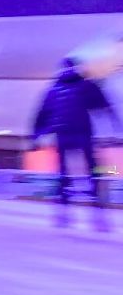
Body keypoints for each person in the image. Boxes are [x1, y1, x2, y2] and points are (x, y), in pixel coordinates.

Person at [33, 58, 120, 231]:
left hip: (65, 135)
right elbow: (104, 106)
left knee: (66, 173)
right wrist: (115, 125)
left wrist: (36, 135)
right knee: (90, 171)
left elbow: (42, 114)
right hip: (80, 134)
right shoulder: (84, 86)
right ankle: (95, 214)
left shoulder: (55, 89)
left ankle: (65, 213)